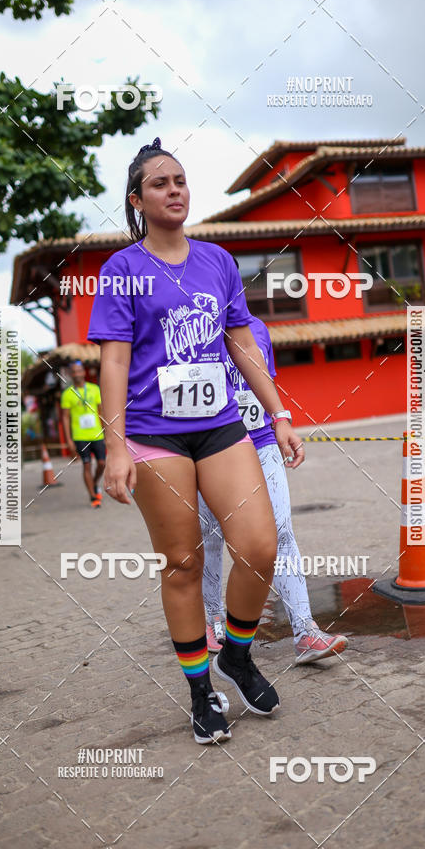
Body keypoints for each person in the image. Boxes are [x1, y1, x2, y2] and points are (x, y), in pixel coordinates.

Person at [87, 137, 305, 744]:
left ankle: (236, 653)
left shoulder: (217, 261)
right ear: (137, 200)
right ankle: (200, 690)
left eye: (180, 180)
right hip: (155, 434)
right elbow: (113, 363)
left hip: (219, 426)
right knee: (183, 562)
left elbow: (241, 345)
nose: (175, 190)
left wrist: (279, 413)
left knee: (260, 546)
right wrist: (116, 447)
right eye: (160, 184)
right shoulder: (122, 271)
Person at [200, 313, 348, 663]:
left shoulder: (258, 328)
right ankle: (211, 620)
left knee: (281, 532)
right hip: (211, 447)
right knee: (211, 536)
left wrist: (281, 420)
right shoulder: (193, 325)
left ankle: (305, 631)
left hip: (262, 441)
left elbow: (265, 381)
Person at [60, 360, 106, 508]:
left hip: (97, 434)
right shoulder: (67, 394)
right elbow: (65, 418)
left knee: (101, 463)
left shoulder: (94, 389)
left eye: (79, 370)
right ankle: (93, 497)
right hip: (80, 436)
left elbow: (101, 412)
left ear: (84, 372)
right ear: (70, 374)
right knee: (86, 464)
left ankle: (94, 483)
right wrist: (69, 440)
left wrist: (107, 430)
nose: (77, 374)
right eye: (74, 371)